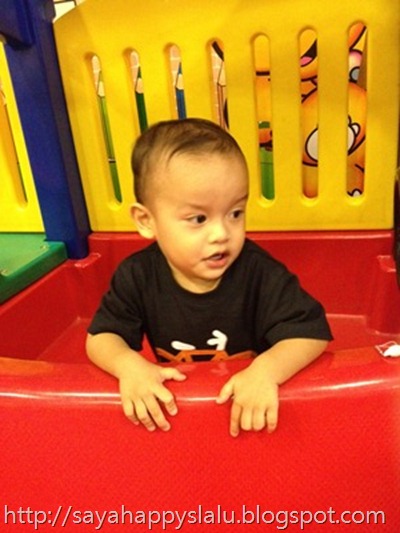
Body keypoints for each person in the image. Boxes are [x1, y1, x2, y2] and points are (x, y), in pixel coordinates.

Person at [86, 118, 332, 437]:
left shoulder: (259, 272)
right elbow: (101, 337)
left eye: (235, 213)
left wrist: (267, 371)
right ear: (147, 220)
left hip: (246, 411)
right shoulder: (137, 275)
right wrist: (128, 366)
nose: (221, 233)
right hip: (180, 416)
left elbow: (311, 333)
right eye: (198, 218)